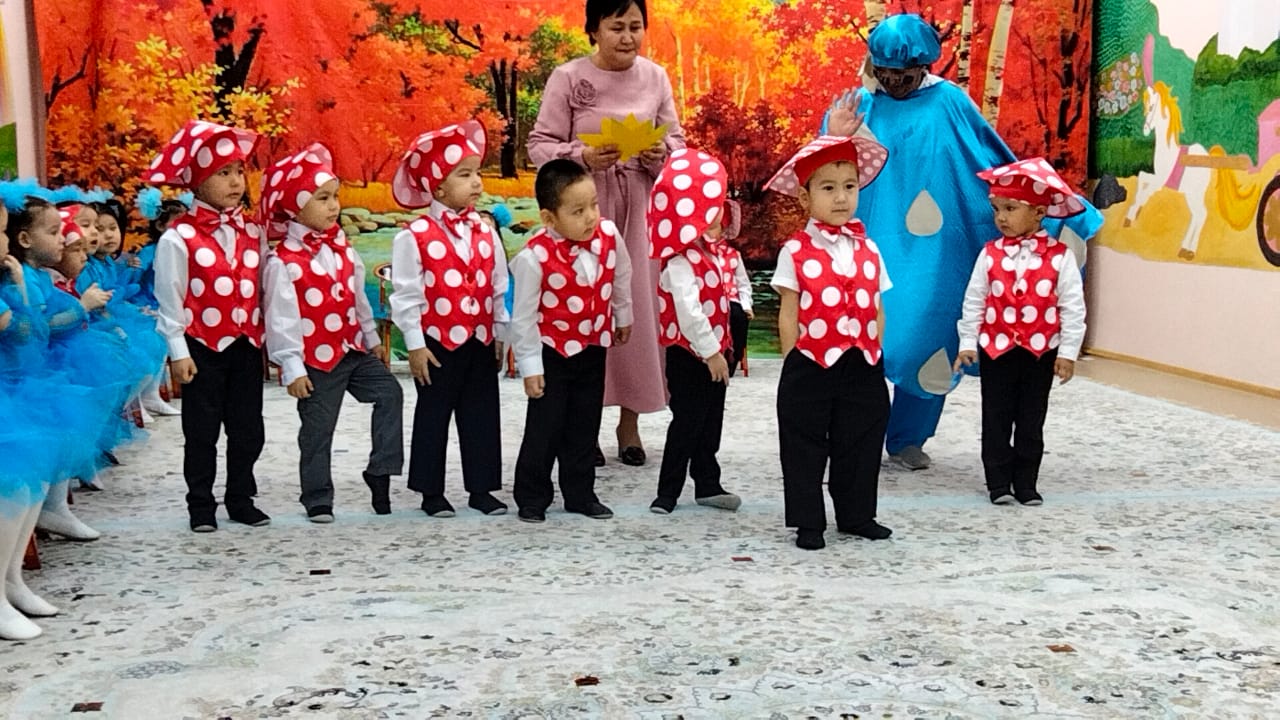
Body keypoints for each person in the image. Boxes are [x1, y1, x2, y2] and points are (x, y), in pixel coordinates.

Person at [823, 13, 1101, 471]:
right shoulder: (857, 106)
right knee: (862, 342)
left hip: (936, 254)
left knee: (927, 336)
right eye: (886, 72)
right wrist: (834, 136)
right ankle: (853, 436)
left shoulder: (949, 101)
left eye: (905, 74)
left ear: (925, 66)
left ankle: (908, 436)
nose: (894, 82)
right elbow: (820, 174)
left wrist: (1053, 205)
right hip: (868, 242)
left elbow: (991, 160)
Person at [528, 0, 685, 466]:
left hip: (640, 209)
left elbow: (678, 145)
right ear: (593, 29)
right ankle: (584, 428)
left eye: (636, 27)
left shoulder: (656, 77)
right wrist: (581, 156)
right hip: (583, 208)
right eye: (617, 27)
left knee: (634, 309)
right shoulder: (567, 77)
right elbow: (539, 145)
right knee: (583, 309)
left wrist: (660, 154)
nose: (628, 37)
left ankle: (629, 426)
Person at [262, 143, 404, 523]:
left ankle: (381, 470)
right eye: (322, 198)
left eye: (335, 197)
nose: (333, 206)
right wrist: (292, 367)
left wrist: (371, 340)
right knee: (318, 429)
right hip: (316, 359)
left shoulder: (343, 248)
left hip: (352, 350)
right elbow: (281, 319)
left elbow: (358, 299)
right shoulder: (283, 262)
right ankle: (317, 496)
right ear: (296, 207)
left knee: (390, 393)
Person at [767, 135, 895, 551]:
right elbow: (789, 310)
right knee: (804, 442)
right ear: (805, 198)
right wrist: (793, 360)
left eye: (849, 186)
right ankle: (808, 521)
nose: (841, 197)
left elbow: (877, 305)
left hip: (862, 360)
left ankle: (857, 515)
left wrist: (875, 350)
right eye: (828, 188)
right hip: (811, 360)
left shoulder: (869, 248)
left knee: (861, 439)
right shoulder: (795, 250)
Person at [149, 120, 271, 533]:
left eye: (239, 171)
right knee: (201, 432)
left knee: (248, 428)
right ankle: (200, 504)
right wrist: (178, 351)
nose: (235, 181)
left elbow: (264, 288)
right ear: (197, 182)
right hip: (202, 346)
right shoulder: (178, 238)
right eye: (223, 173)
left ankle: (241, 497)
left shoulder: (252, 231)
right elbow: (170, 299)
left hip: (246, 344)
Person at [389, 121, 510, 519]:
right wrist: (415, 344)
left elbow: (498, 283)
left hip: (478, 338)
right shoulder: (414, 236)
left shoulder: (485, 230)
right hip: (437, 341)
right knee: (433, 415)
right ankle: (431, 491)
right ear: (438, 187)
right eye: (464, 174)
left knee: (482, 414)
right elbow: (406, 295)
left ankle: (482, 488)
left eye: (477, 173)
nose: (476, 182)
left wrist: (499, 331)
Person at [954, 158, 1087, 506]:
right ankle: (998, 482)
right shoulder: (989, 254)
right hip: (996, 350)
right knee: (995, 417)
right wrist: (968, 342)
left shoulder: (1060, 257)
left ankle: (1026, 482)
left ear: (1039, 212)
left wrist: (1068, 353)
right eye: (997, 209)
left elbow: (1073, 307)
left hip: (1040, 351)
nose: (1001, 217)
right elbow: (974, 300)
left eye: (1010, 209)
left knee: (1031, 419)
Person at [509, 159, 633, 523]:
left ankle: (580, 493)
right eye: (578, 211)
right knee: (545, 426)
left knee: (584, 423)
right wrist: (530, 367)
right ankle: (532, 495)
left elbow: (621, 275)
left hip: (593, 344)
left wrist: (623, 314)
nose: (591, 217)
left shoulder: (609, 235)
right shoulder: (534, 257)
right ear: (549, 218)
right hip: (553, 351)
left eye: (593, 205)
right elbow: (524, 317)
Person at [645, 149, 741, 514]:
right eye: (714, 204)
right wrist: (711, 352)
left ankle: (707, 483)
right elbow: (689, 312)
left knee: (710, 422)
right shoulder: (680, 261)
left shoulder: (710, 252)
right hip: (690, 356)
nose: (721, 210)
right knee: (687, 423)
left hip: (715, 352)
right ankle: (667, 491)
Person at [719, 200, 753, 377]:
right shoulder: (698, 254)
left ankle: (733, 357)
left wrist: (746, 305)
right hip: (708, 299)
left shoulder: (733, 255)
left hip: (731, 299)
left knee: (738, 317)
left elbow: (743, 283)